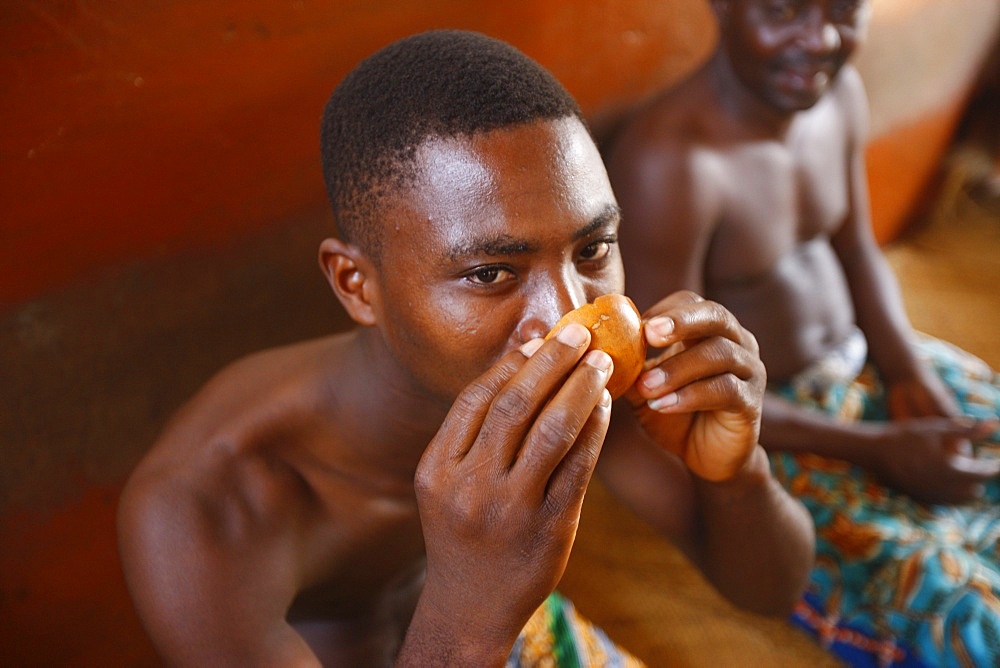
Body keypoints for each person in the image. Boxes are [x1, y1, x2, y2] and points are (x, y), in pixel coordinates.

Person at [116, 29, 814, 667]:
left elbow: (771, 590)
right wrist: (470, 613)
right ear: (357, 285)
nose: (570, 318)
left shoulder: (594, 382)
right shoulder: (205, 505)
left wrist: (736, 474)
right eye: (490, 274)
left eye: (594, 248)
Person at [605, 1, 1000, 666]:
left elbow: (855, 251)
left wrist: (909, 371)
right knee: (967, 615)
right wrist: (876, 448)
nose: (817, 39)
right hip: (769, 422)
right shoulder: (673, 166)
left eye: (843, 9)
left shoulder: (838, 95)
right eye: (784, 10)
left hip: (867, 357)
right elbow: (674, 390)